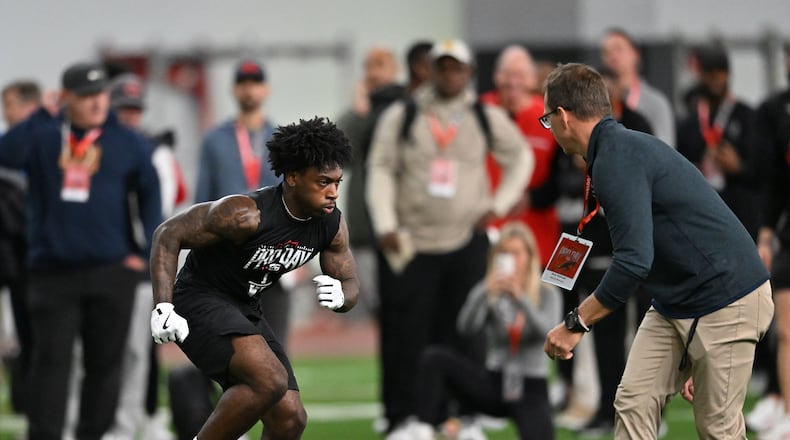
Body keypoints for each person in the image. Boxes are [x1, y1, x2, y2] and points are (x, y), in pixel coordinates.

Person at [541, 63, 773, 439]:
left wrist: (576, 323)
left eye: (547, 118)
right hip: (678, 299)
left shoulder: (616, 157)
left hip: (727, 298)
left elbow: (634, 262)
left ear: (563, 117)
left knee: (717, 428)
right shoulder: (615, 150)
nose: (548, 128)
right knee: (634, 400)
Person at [149, 116, 359, 440]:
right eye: (322, 182)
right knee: (268, 379)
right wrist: (163, 306)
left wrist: (343, 296)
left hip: (245, 306)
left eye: (337, 183)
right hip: (199, 298)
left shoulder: (331, 225)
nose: (333, 193)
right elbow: (167, 234)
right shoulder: (244, 214)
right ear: (292, 177)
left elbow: (350, 282)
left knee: (290, 418)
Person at [366, 38, 533, 436]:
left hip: (466, 240)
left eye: (457, 67)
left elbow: (520, 156)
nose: (449, 74)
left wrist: (500, 204)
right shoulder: (403, 113)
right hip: (413, 243)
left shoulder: (483, 114)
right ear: (430, 71)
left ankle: (463, 416)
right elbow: (380, 168)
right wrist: (385, 223)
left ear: (469, 73)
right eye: (441, 66)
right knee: (408, 335)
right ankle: (405, 418)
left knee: (467, 335)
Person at [0, 61, 162, 440]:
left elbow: (150, 190)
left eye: (100, 95)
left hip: (111, 272)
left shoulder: (126, 140)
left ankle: (92, 435)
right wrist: (42, 111)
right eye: (86, 96)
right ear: (66, 98)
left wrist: (144, 248)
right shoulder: (43, 135)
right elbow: (5, 153)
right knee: (50, 365)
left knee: (105, 366)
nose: (96, 104)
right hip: (51, 273)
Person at [402, 222, 561, 440]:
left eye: (516, 253)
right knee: (435, 358)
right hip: (495, 380)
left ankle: (463, 425)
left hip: (530, 386)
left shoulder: (547, 292)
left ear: (529, 257)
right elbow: (466, 327)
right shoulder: (490, 290)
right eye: (504, 253)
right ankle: (425, 428)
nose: (511, 259)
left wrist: (520, 298)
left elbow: (548, 332)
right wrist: (484, 293)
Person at [104, 72, 180, 440]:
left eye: (134, 109)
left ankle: (147, 416)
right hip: (106, 260)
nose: (129, 116)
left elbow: (162, 208)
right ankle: (114, 418)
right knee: (106, 347)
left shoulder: (154, 151)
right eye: (124, 109)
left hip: (139, 259)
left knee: (144, 348)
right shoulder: (98, 146)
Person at [195, 59, 291, 346]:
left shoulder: (282, 139)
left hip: (272, 255)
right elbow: (203, 198)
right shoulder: (215, 140)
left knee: (274, 344)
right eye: (243, 84)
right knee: (231, 343)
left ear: (266, 89)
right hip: (229, 257)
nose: (249, 90)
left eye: (255, 83)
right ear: (234, 90)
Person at [480, 44, 561, 267]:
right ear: (496, 76)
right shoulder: (479, 112)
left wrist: (532, 198)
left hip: (538, 237)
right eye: (507, 74)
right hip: (487, 233)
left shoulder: (549, 118)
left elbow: (562, 178)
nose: (513, 81)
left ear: (533, 80)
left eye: (520, 75)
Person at [676, 44, 762, 241]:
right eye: (710, 73)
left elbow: (763, 171)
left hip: (742, 215)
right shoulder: (689, 124)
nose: (716, 78)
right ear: (701, 75)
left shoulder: (748, 116)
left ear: (728, 74)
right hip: (703, 214)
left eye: (721, 72)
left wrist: (739, 167)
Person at [750, 43, 790, 439]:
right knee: (786, 331)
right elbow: (775, 184)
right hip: (789, 238)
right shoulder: (781, 114)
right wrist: (765, 233)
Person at [0, 80, 41, 414]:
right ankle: (28, 404)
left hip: (34, 259)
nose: (5, 113)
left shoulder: (32, 143)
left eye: (9, 105)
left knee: (38, 337)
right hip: (18, 260)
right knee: (27, 336)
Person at [600, 28, 675, 147]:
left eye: (618, 49)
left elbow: (666, 149)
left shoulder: (655, 102)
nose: (612, 56)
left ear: (635, 54)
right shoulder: (598, 101)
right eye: (606, 52)